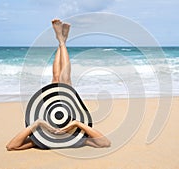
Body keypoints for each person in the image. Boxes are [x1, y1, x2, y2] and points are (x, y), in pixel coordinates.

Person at [6, 19, 111, 151]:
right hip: (66, 107)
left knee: (56, 77)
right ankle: (62, 41)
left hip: (53, 107)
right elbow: (105, 143)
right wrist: (77, 124)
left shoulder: (42, 141)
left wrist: (36, 124)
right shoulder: (76, 137)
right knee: (65, 79)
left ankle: (61, 41)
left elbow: (12, 146)